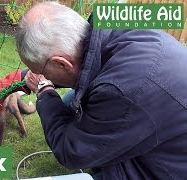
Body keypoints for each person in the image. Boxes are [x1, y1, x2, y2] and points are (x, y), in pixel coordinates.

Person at [16, 1, 187, 180]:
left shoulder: (120, 91)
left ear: (62, 63)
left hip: (170, 168)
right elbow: (86, 68)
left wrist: (44, 90)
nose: (39, 76)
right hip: (169, 125)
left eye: (41, 72)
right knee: (69, 101)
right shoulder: (108, 25)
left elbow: (72, 151)